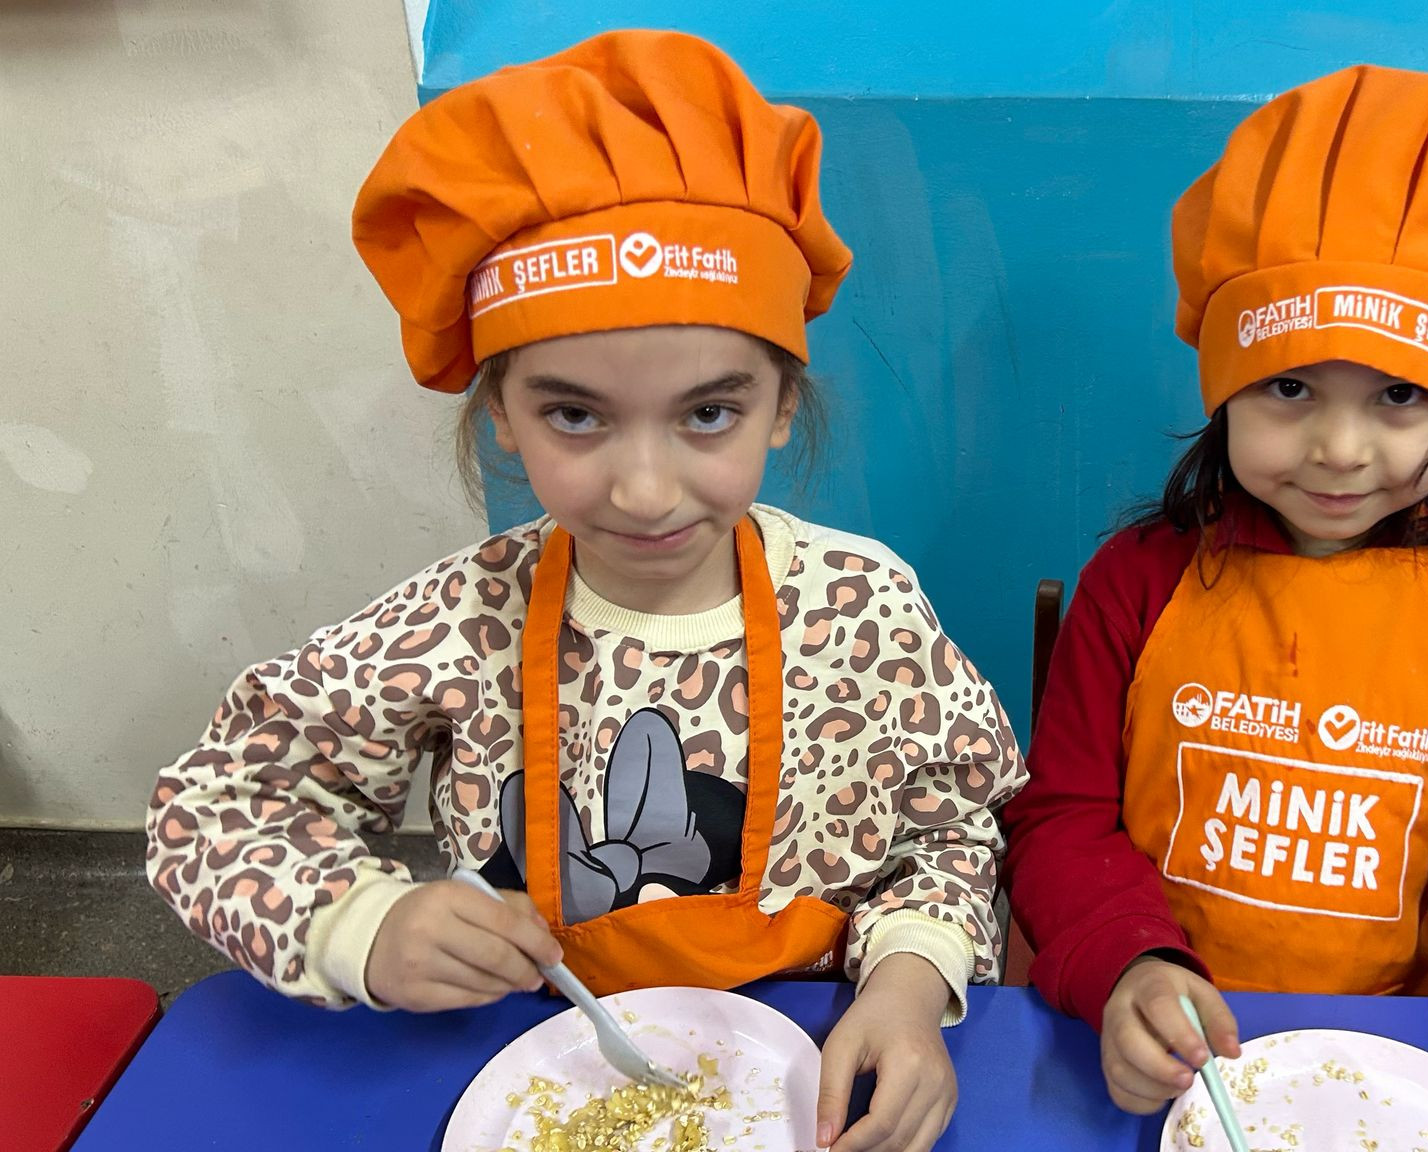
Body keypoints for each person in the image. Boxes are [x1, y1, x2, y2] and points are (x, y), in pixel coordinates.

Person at [144, 30, 1024, 1152]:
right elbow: (216, 805)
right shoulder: (459, 621)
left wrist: (907, 984)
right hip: (525, 1074)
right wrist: (364, 926)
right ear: (501, 415)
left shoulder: (863, 607)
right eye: (574, 415)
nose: (645, 490)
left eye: (709, 413)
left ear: (782, 406)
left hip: (812, 1070)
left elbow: (952, 832)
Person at [1000, 64, 1428, 1152]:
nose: (1341, 450)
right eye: (1290, 386)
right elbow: (1062, 818)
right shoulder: (1136, 580)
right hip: (1147, 1041)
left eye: (1398, 395)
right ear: (1224, 388)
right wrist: (1128, 960)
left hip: (1380, 1055)